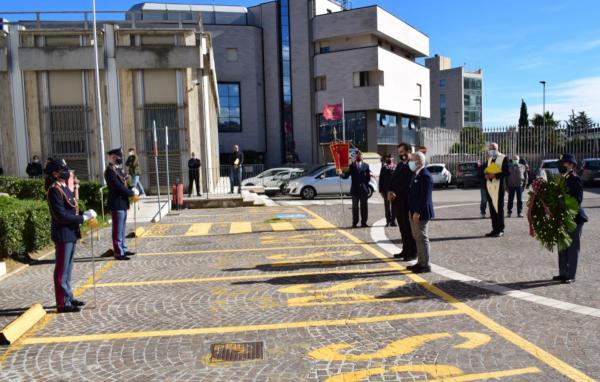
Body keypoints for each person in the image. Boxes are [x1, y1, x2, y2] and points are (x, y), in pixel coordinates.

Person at [45, 159, 97, 313]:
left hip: (71, 233)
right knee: (61, 270)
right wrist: (83, 218)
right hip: (63, 233)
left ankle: (69, 296)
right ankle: (62, 303)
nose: (66, 171)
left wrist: (84, 214)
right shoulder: (54, 190)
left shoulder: (64, 188)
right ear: (55, 173)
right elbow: (61, 215)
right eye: (63, 169)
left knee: (68, 269)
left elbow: (72, 208)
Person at [553, 154, 588, 284]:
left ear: (572, 165)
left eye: (565, 163)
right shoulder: (562, 178)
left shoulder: (575, 179)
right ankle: (563, 273)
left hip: (574, 218)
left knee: (572, 247)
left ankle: (571, 275)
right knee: (562, 246)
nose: (562, 165)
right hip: (562, 217)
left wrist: (565, 205)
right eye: (562, 163)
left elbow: (578, 199)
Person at [105, 148, 138, 261]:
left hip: (123, 202)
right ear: (113, 157)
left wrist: (131, 187)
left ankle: (123, 248)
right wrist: (130, 193)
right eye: (118, 157)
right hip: (116, 202)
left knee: (122, 228)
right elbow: (117, 186)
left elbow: (124, 183)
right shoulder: (109, 171)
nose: (120, 159)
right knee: (117, 229)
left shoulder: (117, 170)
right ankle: (118, 252)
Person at [387, 143, 417, 260]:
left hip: (406, 201)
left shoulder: (412, 165)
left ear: (408, 151)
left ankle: (413, 252)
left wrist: (396, 193)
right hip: (397, 202)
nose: (401, 155)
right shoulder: (399, 165)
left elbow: (408, 183)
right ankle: (405, 249)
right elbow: (393, 180)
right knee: (402, 227)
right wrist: (389, 191)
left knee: (409, 227)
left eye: (402, 152)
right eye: (399, 152)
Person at [406, 151, 434, 273]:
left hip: (420, 212)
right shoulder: (416, 174)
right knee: (417, 237)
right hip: (413, 211)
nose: (410, 162)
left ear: (420, 161)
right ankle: (420, 262)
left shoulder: (426, 175)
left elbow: (425, 197)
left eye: (412, 160)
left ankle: (426, 264)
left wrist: (417, 212)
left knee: (422, 237)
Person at [484, 143, 509, 237]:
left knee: (499, 208)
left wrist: (495, 175)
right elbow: (488, 170)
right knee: (492, 208)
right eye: (490, 148)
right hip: (490, 187)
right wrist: (486, 175)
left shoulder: (504, 158)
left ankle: (501, 229)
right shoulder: (490, 159)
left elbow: (507, 172)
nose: (492, 150)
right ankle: (495, 229)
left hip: (499, 187)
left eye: (493, 148)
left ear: (498, 148)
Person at [342, 151, 371, 228]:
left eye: (360, 155)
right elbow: (346, 176)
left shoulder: (366, 166)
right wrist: (340, 173)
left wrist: (364, 184)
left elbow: (368, 177)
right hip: (355, 190)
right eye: (357, 155)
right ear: (355, 157)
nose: (358, 156)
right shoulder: (351, 166)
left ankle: (364, 222)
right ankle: (355, 222)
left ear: (362, 156)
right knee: (355, 207)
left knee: (364, 207)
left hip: (363, 190)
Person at [379, 153, 396, 227]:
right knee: (387, 206)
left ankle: (393, 221)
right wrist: (380, 191)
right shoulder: (384, 167)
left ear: (393, 159)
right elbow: (381, 179)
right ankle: (388, 221)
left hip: (394, 190)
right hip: (386, 190)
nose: (389, 159)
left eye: (391, 158)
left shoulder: (396, 167)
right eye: (388, 158)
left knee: (394, 207)